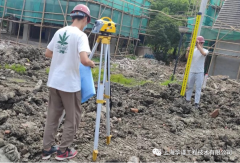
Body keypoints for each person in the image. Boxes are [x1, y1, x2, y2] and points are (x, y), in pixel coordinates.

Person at [41, 4, 95, 160]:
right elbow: (85, 60)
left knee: (53, 116)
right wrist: (91, 64)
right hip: (69, 85)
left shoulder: (60, 31)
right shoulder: (80, 35)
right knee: (73, 118)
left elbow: (48, 53)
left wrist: (63, 57)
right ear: (85, 18)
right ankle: (63, 150)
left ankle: (47, 148)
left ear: (73, 17)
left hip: (54, 81)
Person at [185, 36, 209, 109]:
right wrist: (188, 51)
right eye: (199, 43)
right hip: (192, 71)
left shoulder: (205, 50)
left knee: (198, 88)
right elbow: (187, 57)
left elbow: (204, 54)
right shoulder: (193, 50)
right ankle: (187, 100)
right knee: (190, 86)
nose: (200, 44)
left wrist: (198, 45)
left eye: (201, 43)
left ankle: (196, 103)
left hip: (199, 72)